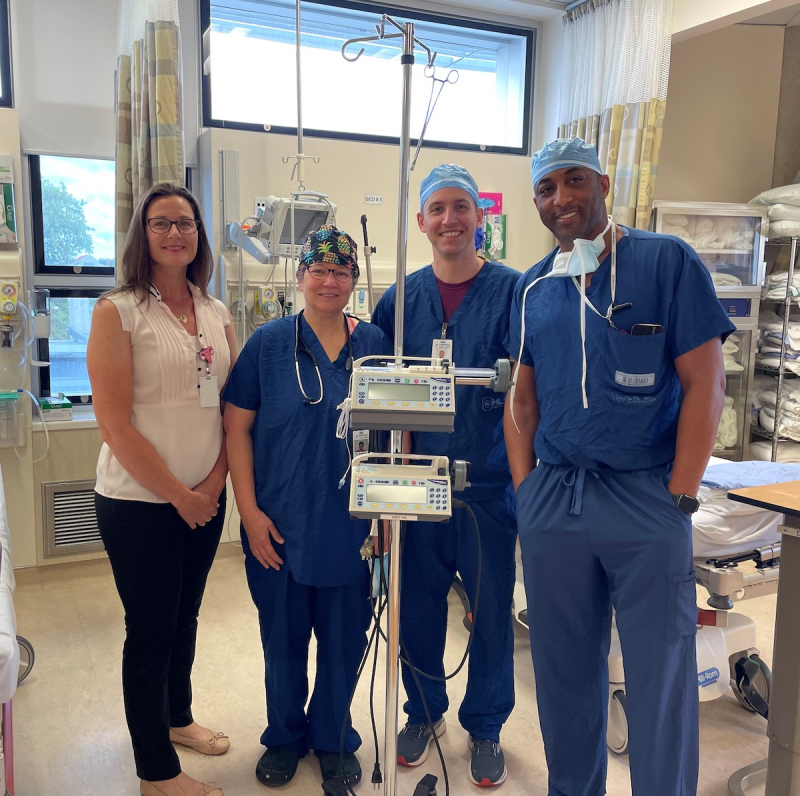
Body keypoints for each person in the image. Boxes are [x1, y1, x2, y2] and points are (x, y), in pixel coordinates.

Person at [504, 138, 735, 796]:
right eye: (546, 189)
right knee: (563, 674)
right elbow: (520, 399)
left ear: (604, 182)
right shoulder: (534, 288)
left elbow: (706, 384)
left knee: (660, 677)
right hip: (556, 499)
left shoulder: (666, 263)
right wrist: (528, 496)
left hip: (645, 499)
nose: (561, 198)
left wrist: (682, 495)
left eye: (574, 181)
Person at [223, 225, 391, 789]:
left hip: (352, 530)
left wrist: (388, 516)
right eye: (317, 270)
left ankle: (334, 739)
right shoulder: (268, 344)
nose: (328, 280)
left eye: (341, 271)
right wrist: (248, 511)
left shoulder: (375, 344)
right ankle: (285, 738)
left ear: (354, 282)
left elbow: (397, 436)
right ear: (299, 278)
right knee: (283, 645)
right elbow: (236, 428)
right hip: (281, 525)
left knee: (345, 644)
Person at [88, 182, 238, 796]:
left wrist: (214, 483)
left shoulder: (216, 311)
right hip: (139, 502)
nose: (175, 232)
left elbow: (231, 410)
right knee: (150, 630)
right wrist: (182, 495)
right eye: (161, 223)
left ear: (198, 234)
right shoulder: (117, 312)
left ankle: (176, 719)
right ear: (141, 235)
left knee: (186, 619)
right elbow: (116, 424)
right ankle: (156, 772)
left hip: (206, 493)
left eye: (185, 222)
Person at [371, 164, 518, 787]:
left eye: (462, 207)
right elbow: (376, 402)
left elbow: (528, 396)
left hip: (488, 488)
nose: (450, 219)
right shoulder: (400, 301)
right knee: (419, 609)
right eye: (438, 209)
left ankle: (485, 728)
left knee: (489, 615)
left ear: (480, 217)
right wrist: (379, 498)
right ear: (423, 221)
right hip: (415, 481)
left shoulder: (516, 292)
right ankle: (424, 710)